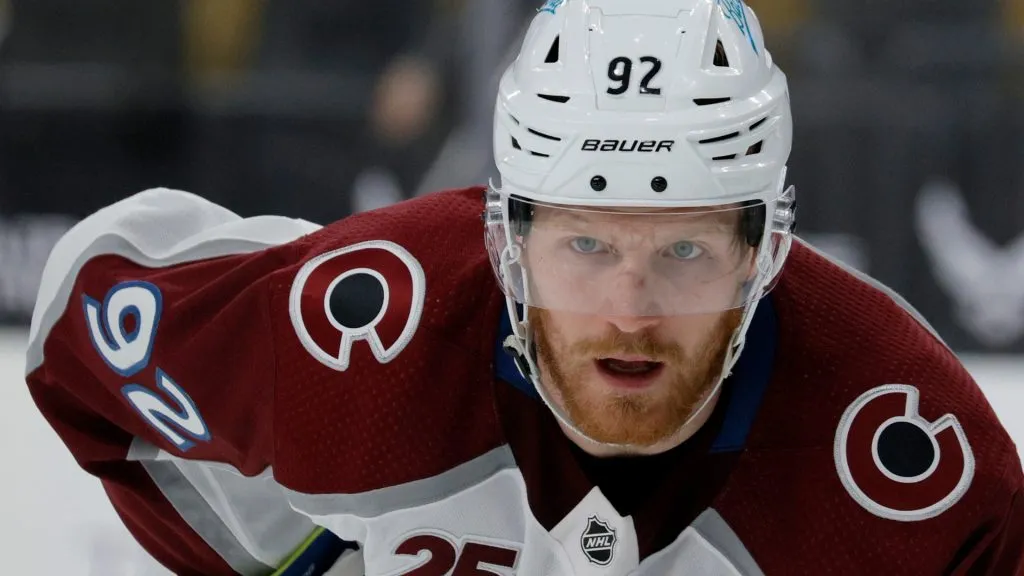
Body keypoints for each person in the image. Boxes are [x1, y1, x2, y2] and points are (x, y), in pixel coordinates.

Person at [24, 1, 1024, 574]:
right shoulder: (365, 339)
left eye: (682, 252)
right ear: (507, 248)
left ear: (764, 257)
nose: (629, 309)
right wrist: (293, 564)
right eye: (584, 247)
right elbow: (85, 321)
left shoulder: (905, 462)